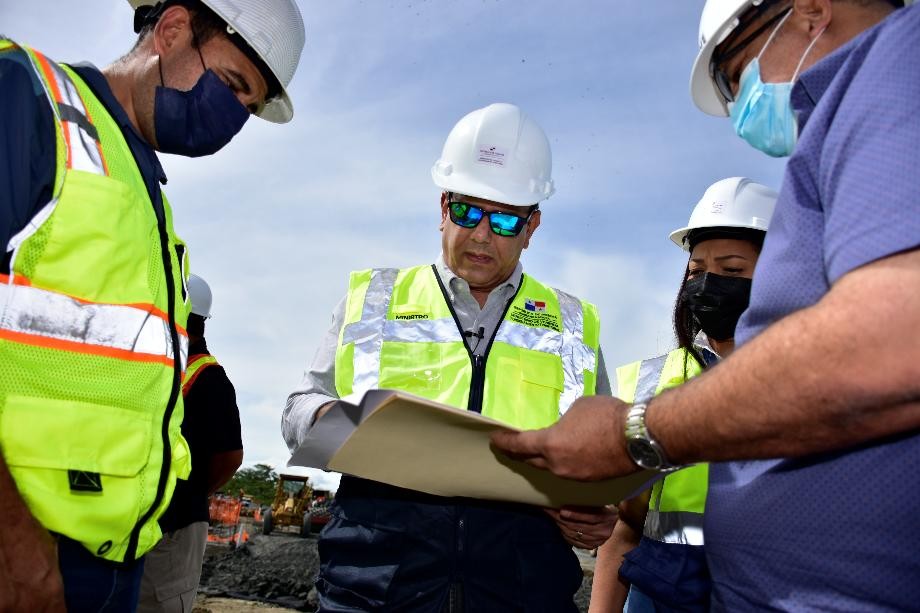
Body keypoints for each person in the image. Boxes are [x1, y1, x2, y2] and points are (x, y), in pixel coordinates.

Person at [492, 0, 920, 609]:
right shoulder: (849, 130)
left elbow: (888, 343)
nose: (738, 108)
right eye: (696, 270)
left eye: (733, 75)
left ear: (810, 11)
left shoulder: (897, 71)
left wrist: (634, 433)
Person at [0, 1, 304, 610]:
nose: (231, 120)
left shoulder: (146, 194)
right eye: (231, 85)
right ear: (172, 30)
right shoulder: (28, 99)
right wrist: (16, 548)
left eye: (247, 109)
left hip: (115, 558)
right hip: (30, 555)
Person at [283, 102, 617, 612]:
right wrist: (330, 417)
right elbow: (298, 409)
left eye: (504, 219)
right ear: (443, 208)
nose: (481, 234)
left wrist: (594, 511)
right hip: (375, 587)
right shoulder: (374, 300)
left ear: (532, 227)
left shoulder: (572, 325)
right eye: (467, 212)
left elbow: (602, 457)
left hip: (522, 591)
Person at [588, 178, 776, 613]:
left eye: (732, 271)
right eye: (696, 271)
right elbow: (626, 528)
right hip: (659, 597)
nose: (708, 284)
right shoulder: (650, 382)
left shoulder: (814, 386)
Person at [138, 274, 243, 613]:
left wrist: (191, 491)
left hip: (175, 527)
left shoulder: (209, 379)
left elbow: (229, 457)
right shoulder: (160, 366)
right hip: (139, 521)